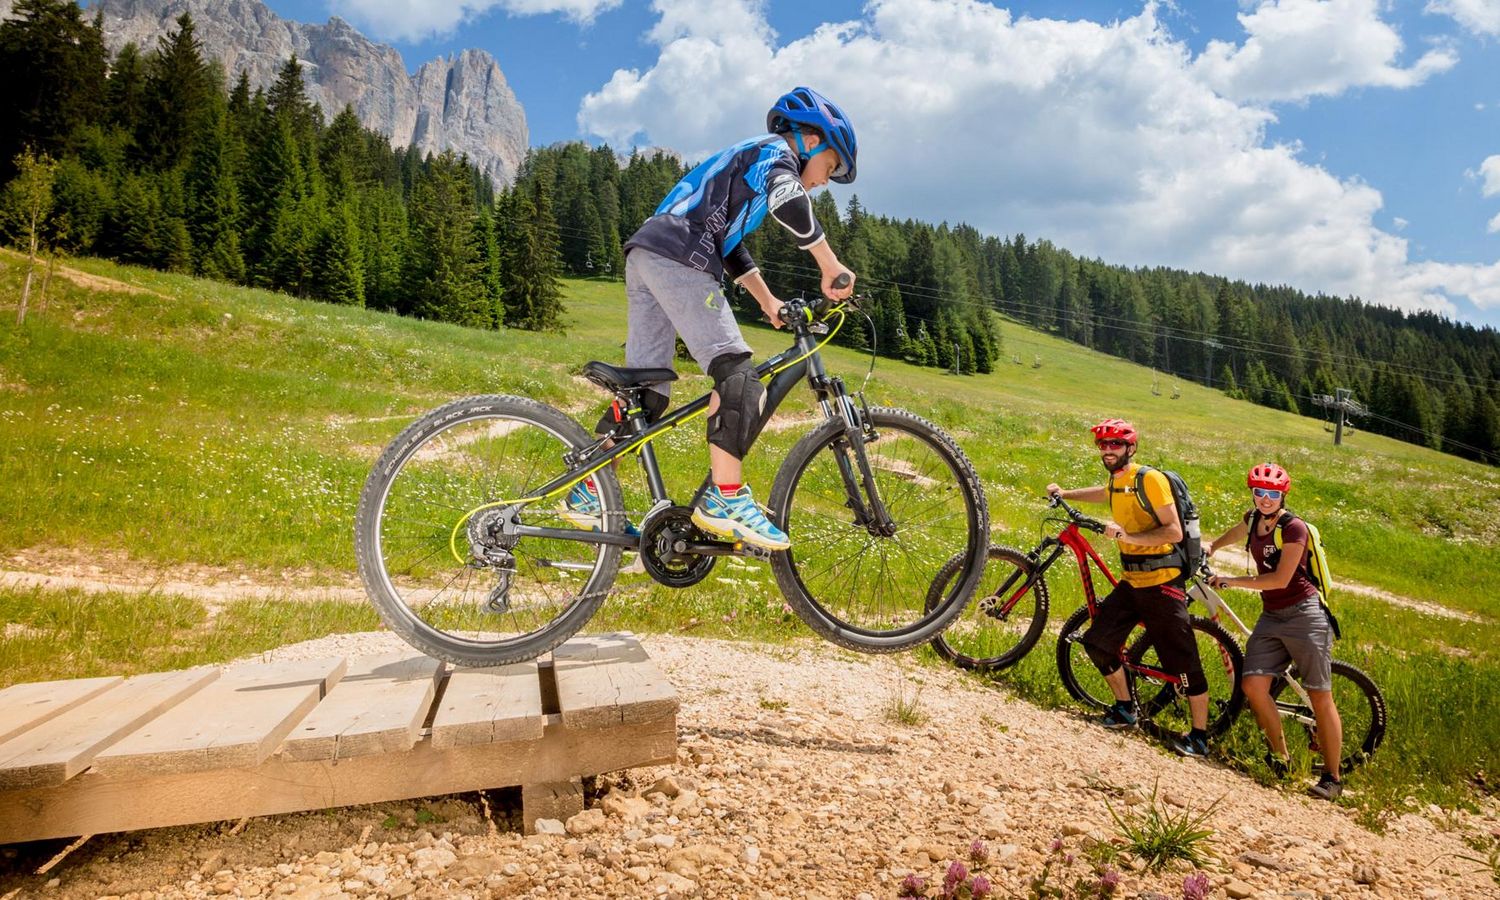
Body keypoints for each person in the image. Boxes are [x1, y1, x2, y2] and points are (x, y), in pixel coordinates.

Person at [562, 86, 858, 551]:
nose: (824, 181)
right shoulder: (774, 154)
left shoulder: (750, 167)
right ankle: (724, 498)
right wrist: (830, 265)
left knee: (647, 392)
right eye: (831, 167)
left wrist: (768, 301)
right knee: (738, 377)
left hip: (651, 253)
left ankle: (586, 489)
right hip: (679, 256)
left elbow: (730, 247)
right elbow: (788, 201)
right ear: (810, 141)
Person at [1047, 418, 1212, 757]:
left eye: (1115, 445)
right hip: (1132, 582)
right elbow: (1104, 493)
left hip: (1162, 583)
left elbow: (1173, 532)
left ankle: (1200, 737)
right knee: (1097, 643)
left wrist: (1128, 537)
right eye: (1103, 445)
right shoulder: (1118, 480)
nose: (1108, 450)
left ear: (1131, 448)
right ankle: (1125, 708)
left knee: (1183, 664)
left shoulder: (1149, 480)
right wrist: (1066, 493)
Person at [1205, 463, 1344, 800]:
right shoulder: (1254, 517)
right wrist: (1213, 546)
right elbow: (1238, 531)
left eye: (1272, 494)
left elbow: (1281, 579)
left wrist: (1232, 580)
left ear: (1283, 495)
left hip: (1304, 615)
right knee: (1253, 685)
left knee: (1319, 695)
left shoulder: (1294, 528)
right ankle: (1280, 758)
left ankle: (1332, 778)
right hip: (1272, 614)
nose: (1265, 499)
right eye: (1259, 492)